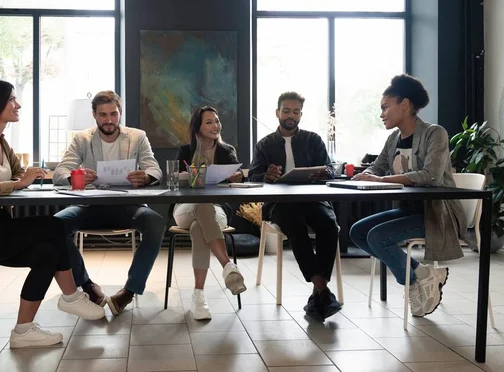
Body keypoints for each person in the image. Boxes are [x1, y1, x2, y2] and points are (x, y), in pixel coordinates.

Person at [0, 79, 105, 349]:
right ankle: (71, 296)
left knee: (49, 251)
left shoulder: (0, 142)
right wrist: (17, 184)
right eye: (12, 99)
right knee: (53, 226)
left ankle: (23, 331)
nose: (19, 105)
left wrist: (72, 175)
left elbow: (19, 173)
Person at [349, 74, 467, 317]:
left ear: (404, 105)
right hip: (409, 210)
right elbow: (378, 167)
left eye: (385, 107)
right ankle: (424, 275)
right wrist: (366, 175)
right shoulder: (393, 138)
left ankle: (413, 283)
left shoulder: (435, 133)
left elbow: (431, 174)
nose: (381, 114)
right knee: (358, 232)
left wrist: (380, 180)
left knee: (378, 236)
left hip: (436, 214)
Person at [53, 90, 165, 315]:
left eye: (113, 114)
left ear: (120, 113)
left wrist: (146, 176)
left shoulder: (137, 136)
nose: (109, 120)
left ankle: (129, 291)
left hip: (128, 207)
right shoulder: (82, 138)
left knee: (156, 222)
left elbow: (155, 169)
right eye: (103, 115)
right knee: (55, 225)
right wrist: (79, 175)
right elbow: (59, 173)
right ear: (94, 115)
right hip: (90, 206)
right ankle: (87, 285)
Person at [249, 91, 342, 321]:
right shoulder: (265, 144)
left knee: (329, 224)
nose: (291, 115)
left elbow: (330, 170)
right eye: (287, 111)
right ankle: (322, 289)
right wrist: (267, 176)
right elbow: (252, 177)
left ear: (301, 114)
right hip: (280, 204)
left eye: (296, 112)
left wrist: (321, 173)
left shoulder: (313, 140)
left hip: (312, 201)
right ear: (277, 113)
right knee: (294, 223)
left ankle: (317, 295)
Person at [173, 106, 246, 320]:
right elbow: (174, 183)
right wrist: (184, 176)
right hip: (185, 207)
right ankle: (227, 265)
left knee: (199, 226)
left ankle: (199, 296)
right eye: (209, 122)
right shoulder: (185, 151)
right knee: (201, 206)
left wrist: (239, 177)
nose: (215, 126)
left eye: (216, 121)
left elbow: (239, 178)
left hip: (217, 210)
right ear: (198, 126)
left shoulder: (227, 150)